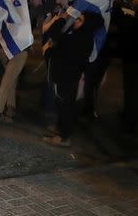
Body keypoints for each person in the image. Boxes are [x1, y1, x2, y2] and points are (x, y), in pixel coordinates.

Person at [42, 11, 104, 147]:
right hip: (67, 77)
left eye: (80, 20)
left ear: (86, 25)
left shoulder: (80, 39)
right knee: (64, 105)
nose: (75, 21)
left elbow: (54, 36)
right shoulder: (81, 37)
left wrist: (62, 20)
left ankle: (64, 137)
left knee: (66, 107)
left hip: (67, 78)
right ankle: (61, 131)